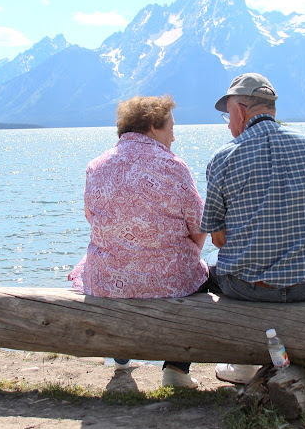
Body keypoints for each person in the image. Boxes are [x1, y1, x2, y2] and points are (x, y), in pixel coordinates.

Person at [200, 72, 305, 386]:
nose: (228, 124)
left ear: (241, 111)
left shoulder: (222, 158)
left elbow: (219, 239)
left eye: (228, 115)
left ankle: (242, 364)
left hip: (248, 288)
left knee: (210, 268)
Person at [69, 95, 208, 388]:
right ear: (154, 125)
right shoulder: (174, 166)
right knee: (198, 276)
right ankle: (176, 369)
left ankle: (121, 357)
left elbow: (92, 219)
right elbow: (199, 226)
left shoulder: (95, 166)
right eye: (171, 127)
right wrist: (187, 254)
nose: (174, 136)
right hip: (167, 282)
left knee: (106, 265)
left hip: (108, 281)